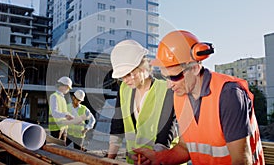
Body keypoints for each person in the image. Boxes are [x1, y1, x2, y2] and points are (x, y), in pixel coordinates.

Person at [132, 30, 265, 165]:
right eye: (165, 77)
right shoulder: (180, 97)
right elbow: (184, 148)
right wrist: (159, 157)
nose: (169, 85)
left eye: (174, 77)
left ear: (195, 68)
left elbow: (241, 160)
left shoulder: (229, 95)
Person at [107, 40, 178, 164]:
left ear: (143, 66)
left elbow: (165, 133)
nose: (126, 80)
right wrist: (108, 160)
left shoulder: (167, 89)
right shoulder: (124, 89)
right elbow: (117, 125)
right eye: (122, 76)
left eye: (130, 73)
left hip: (163, 160)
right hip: (134, 161)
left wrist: (155, 157)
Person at [48, 76, 74, 146]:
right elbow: (54, 113)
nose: (68, 90)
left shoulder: (62, 98)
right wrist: (66, 115)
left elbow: (63, 111)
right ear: (64, 86)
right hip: (56, 128)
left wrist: (71, 116)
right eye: (68, 88)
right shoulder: (54, 96)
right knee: (56, 148)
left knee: (62, 148)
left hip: (63, 127)